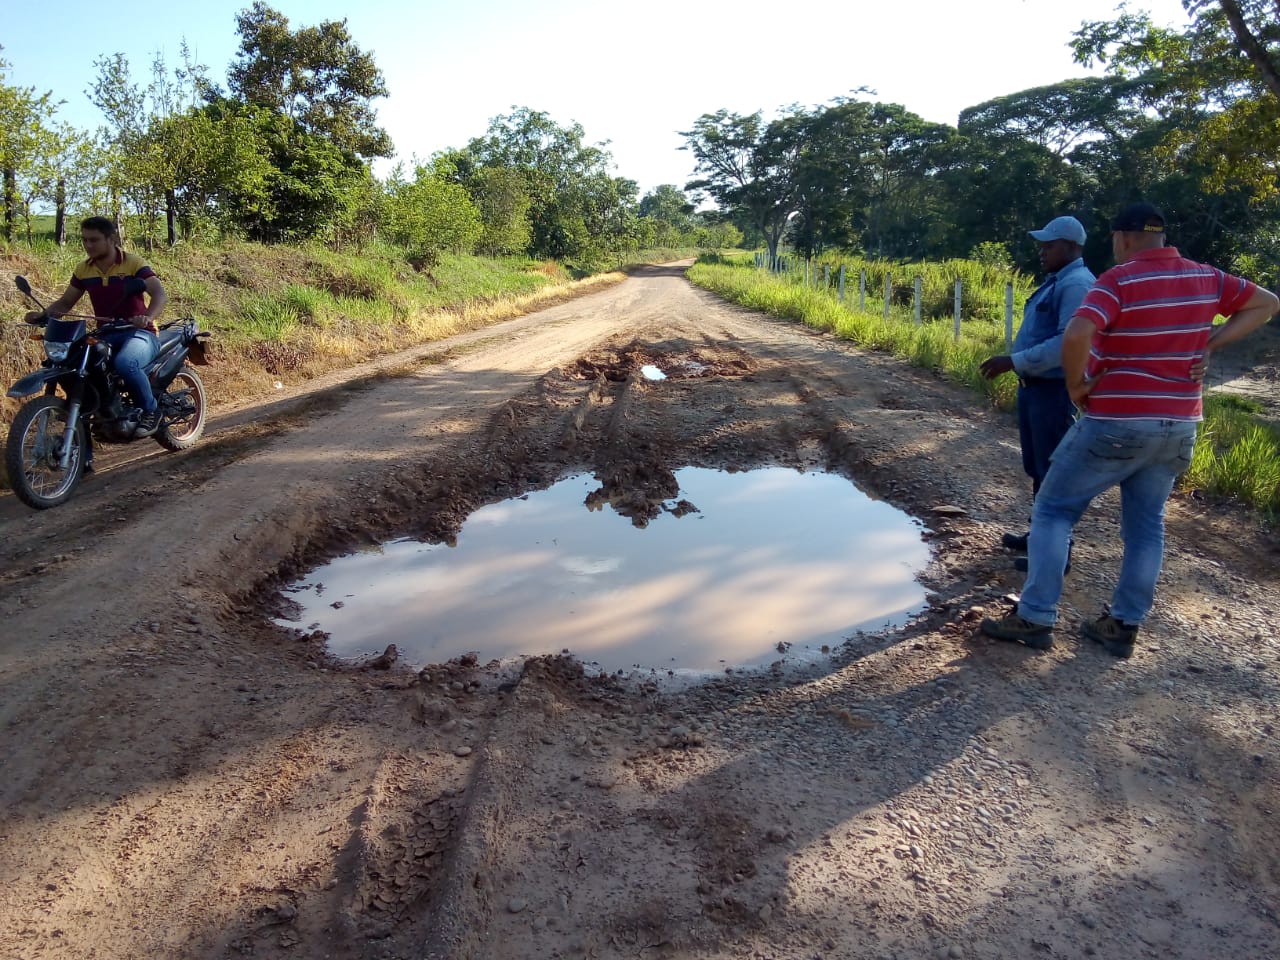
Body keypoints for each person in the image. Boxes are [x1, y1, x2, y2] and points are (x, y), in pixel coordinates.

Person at [981, 202, 1278, 657]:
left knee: (1053, 509)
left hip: (1118, 420)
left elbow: (1079, 332)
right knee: (1145, 529)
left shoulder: (1119, 279)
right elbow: (1267, 303)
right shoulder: (1207, 277)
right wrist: (1210, 342)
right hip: (1179, 423)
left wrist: (1078, 385)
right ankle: (1123, 625)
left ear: (1122, 237)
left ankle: (1035, 616)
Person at [979, 215, 1095, 567]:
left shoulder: (1076, 285)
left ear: (1072, 247)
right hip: (1035, 390)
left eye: (1049, 246)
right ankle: (1040, 537)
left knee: (1053, 473)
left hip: (1054, 391)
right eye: (1042, 246)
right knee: (1038, 468)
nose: (1042, 252)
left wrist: (1014, 361)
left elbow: (1067, 343)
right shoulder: (1056, 281)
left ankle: (1055, 554)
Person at [25, 216, 169, 440]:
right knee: (76, 366)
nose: (88, 245)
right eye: (84, 240)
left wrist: (147, 317)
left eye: (94, 240)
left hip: (140, 333)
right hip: (106, 334)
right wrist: (42, 315)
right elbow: (65, 303)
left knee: (125, 363)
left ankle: (152, 411)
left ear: (111, 239)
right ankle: (90, 440)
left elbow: (159, 294)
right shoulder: (84, 269)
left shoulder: (132, 263)